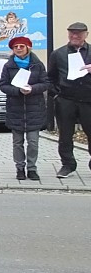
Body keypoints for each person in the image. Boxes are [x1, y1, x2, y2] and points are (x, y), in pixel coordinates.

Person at [0, 36, 49, 181]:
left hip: (34, 109)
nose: (19, 49)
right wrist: (17, 91)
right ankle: (20, 168)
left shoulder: (37, 65)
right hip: (16, 109)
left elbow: (45, 83)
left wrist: (32, 89)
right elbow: (3, 85)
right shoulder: (8, 66)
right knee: (17, 142)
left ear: (28, 48)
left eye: (21, 46)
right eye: (16, 47)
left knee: (33, 142)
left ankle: (32, 168)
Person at [47, 22, 91, 178]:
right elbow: (50, 78)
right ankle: (68, 164)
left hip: (88, 99)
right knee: (65, 134)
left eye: (78, 33)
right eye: (72, 33)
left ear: (86, 34)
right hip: (66, 100)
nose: (75, 36)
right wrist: (56, 94)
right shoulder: (58, 54)